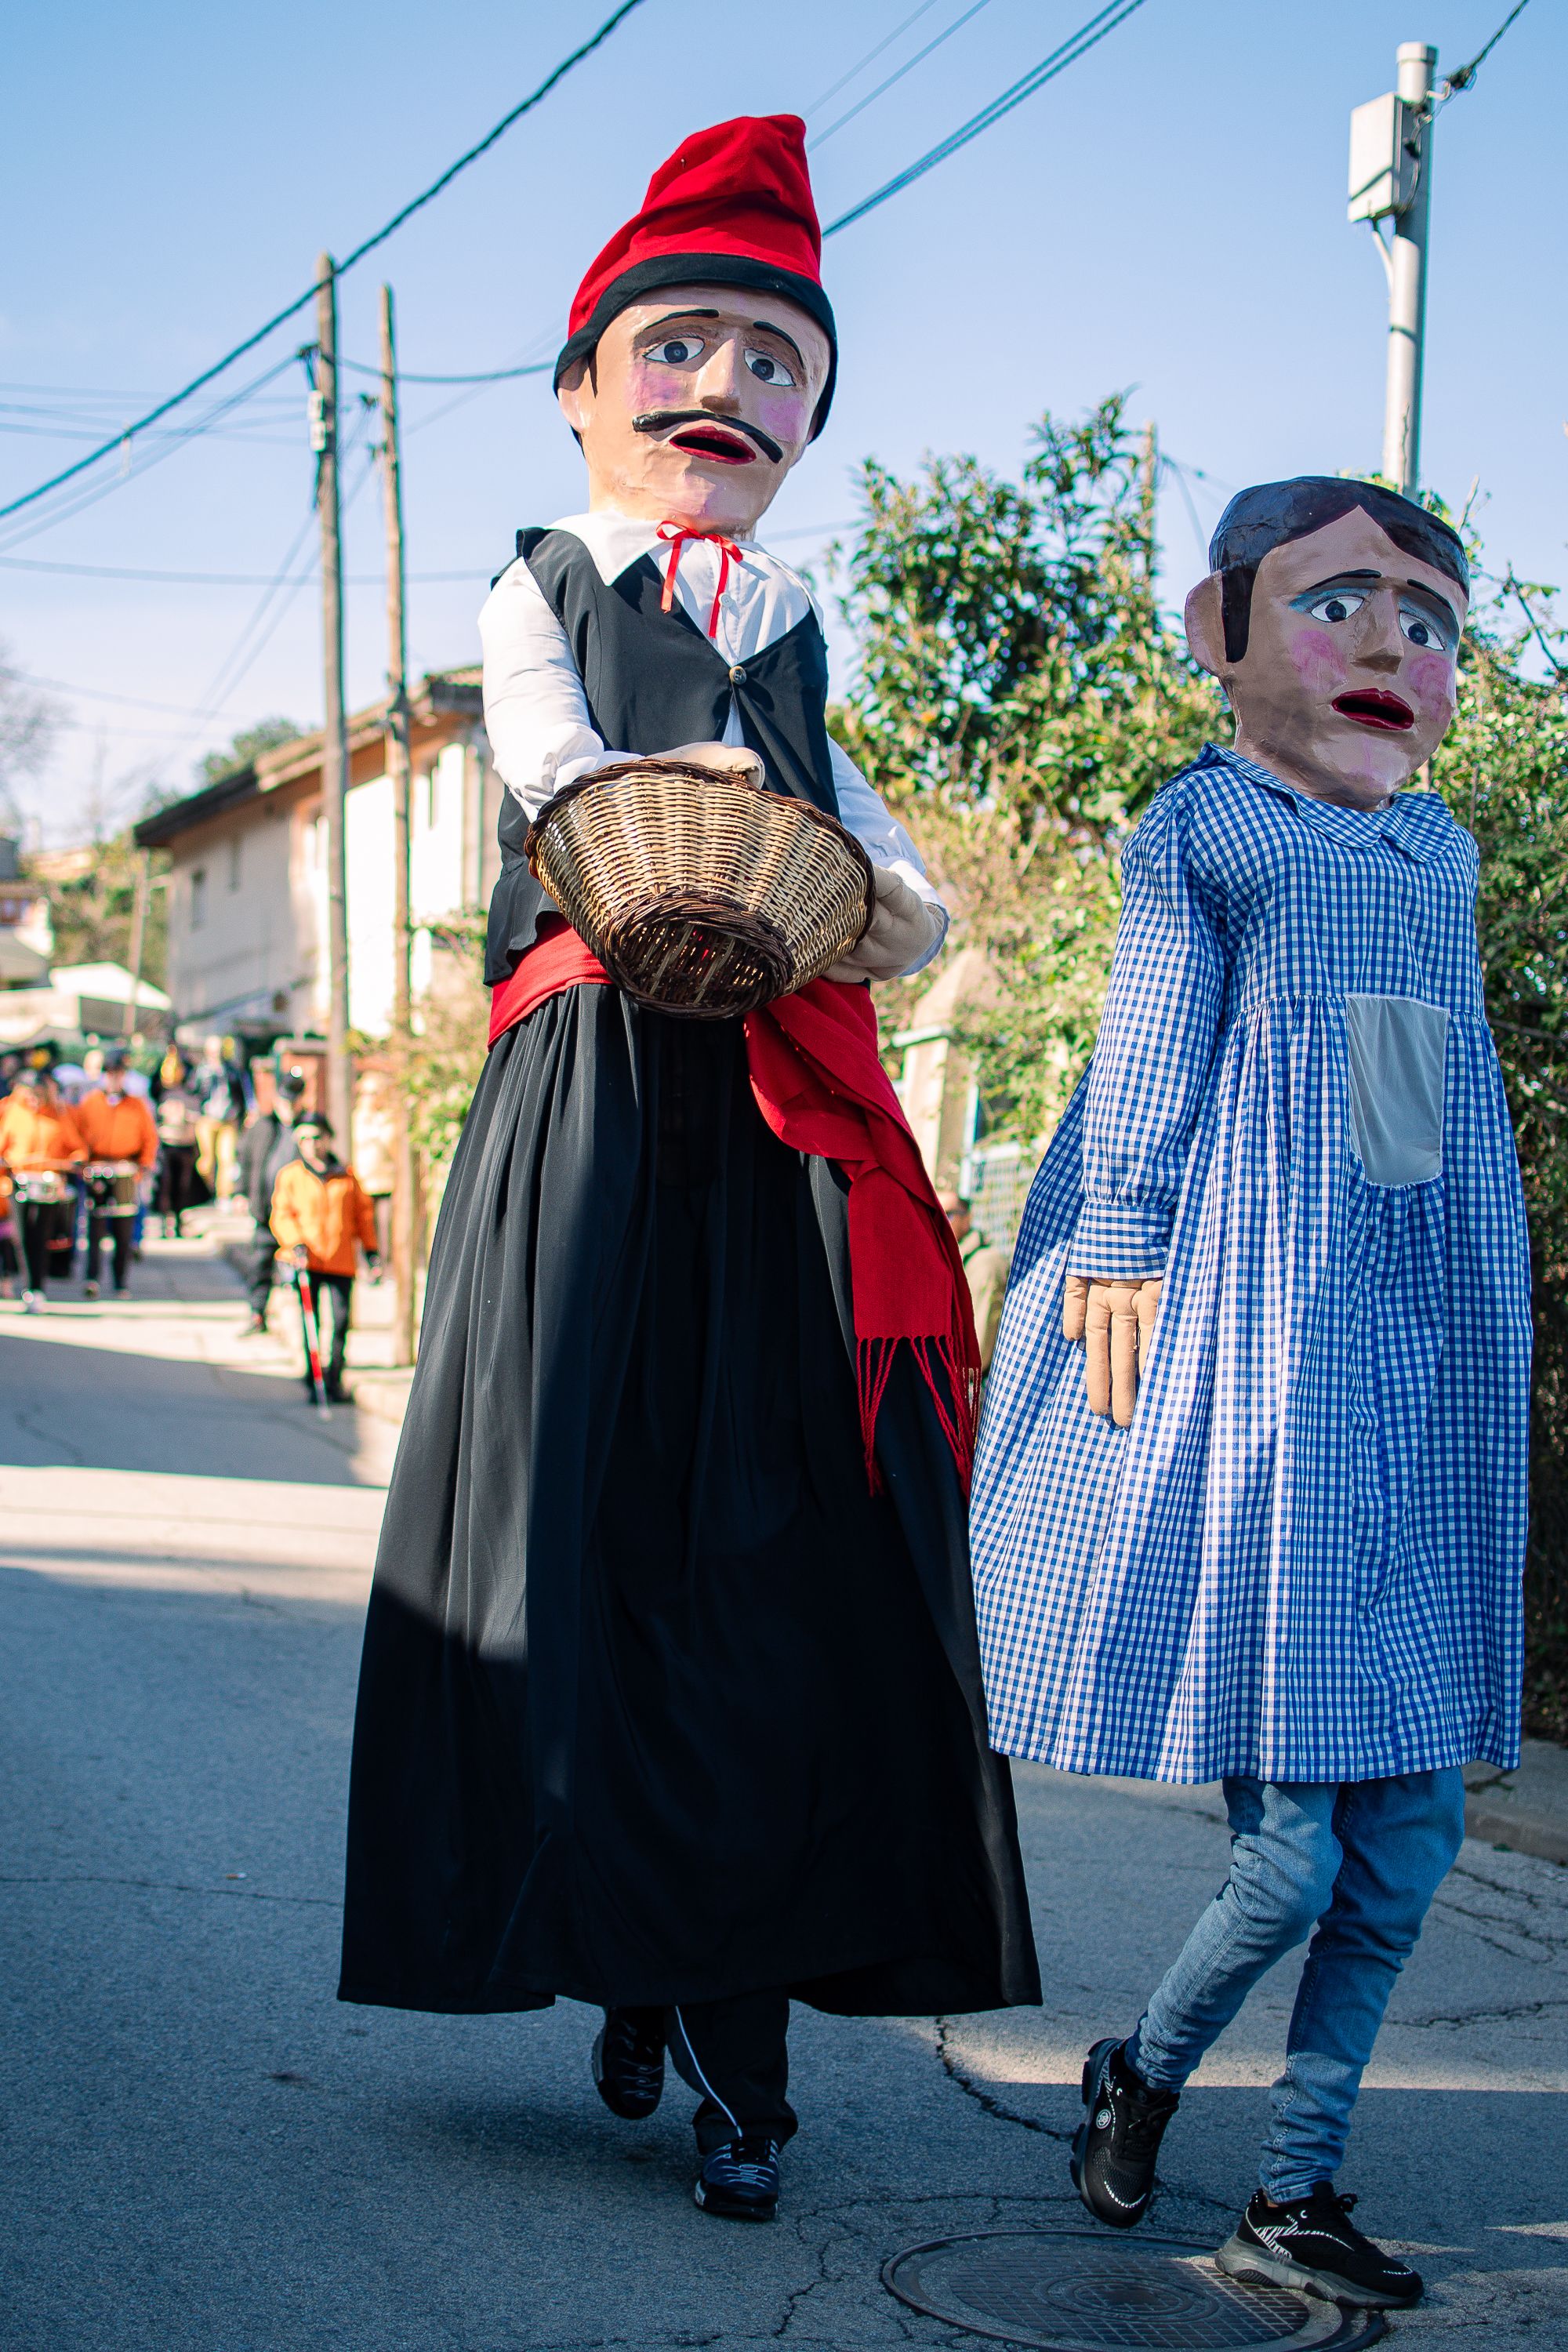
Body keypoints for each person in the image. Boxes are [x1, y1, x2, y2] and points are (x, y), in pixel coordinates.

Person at [338, 112, 1039, 2228]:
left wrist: (892, 895)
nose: (726, 382)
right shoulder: (544, 581)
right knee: (590, 1531)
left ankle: (727, 2022)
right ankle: (626, 1955)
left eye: (773, 354)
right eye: (682, 340)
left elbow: (880, 863)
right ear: (583, 389)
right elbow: (558, 772)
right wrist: (709, 792)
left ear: (813, 413)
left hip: (786, 1113)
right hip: (596, 1106)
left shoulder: (808, 621)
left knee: (778, 1553)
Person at [970, 479, 1529, 2315]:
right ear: (1220, 636)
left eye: (1429, 620)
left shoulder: (1430, 853)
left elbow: (1403, 1094)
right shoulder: (1200, 825)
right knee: (1289, 1854)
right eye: (1337, 602)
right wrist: (1119, 1231)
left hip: (1405, 1353)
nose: (1387, 644)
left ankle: (1295, 2185)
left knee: (1412, 1838)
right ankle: (1136, 2066)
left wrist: (1446, 1291)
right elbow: (1148, 1032)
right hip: (1253, 1338)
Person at [268, 1113, 380, 1402]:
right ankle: (313, 1374)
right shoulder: (291, 1176)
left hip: (341, 1259)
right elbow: (282, 1215)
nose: (311, 1145)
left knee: (341, 1321)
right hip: (308, 1260)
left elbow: (363, 1216)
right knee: (311, 1322)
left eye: (316, 1137)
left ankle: (335, 1376)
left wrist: (371, 1251)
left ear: (328, 1138)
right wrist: (295, 1244)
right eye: (304, 1139)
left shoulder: (347, 1175)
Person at [0, 1067, 88, 1310]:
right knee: (22, 1237)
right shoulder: (12, 1113)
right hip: (19, 1182)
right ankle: (29, 1288)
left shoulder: (59, 1115)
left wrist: (75, 1161)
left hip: (49, 1184)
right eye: (28, 1095)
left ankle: (37, 1288)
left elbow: (76, 1148)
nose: (33, 1100)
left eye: (37, 1094)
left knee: (41, 1237)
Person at [76, 1048, 159, 1297]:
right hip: (99, 1168)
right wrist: (84, 1163)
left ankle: (120, 1281)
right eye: (111, 1073)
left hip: (126, 1169)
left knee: (124, 1230)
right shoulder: (90, 1103)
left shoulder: (136, 1105)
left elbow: (149, 1138)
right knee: (96, 1228)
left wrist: (143, 1165)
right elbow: (78, 1136)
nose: (115, 1078)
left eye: (119, 1074)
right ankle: (92, 1279)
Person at [237, 1068, 306, 1334]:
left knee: (297, 1266)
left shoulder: (307, 1127)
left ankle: (302, 1320)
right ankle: (257, 1313)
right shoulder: (264, 1125)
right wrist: (241, 1191)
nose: (288, 1106)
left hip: (296, 1212)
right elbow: (246, 1158)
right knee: (260, 1264)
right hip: (265, 1208)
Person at [939, 1189, 1009, 1377]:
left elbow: (974, 1358)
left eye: (948, 1214)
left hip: (971, 1390)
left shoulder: (984, 1265)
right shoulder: (947, 1261)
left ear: (967, 1218)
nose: (939, 1221)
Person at [152, 1051, 208, 1238]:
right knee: (165, 1184)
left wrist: (185, 1116)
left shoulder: (190, 1094)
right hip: (167, 1146)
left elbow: (197, 1117)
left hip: (185, 1147)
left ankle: (177, 1221)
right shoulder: (160, 1093)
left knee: (183, 1186)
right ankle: (164, 1222)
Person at [191, 1033, 248, 1202]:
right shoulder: (201, 1071)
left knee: (227, 1159)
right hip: (207, 1119)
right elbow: (193, 1093)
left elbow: (242, 1092)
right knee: (206, 1161)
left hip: (228, 1120)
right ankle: (208, 1189)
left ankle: (223, 1195)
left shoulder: (232, 1070)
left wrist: (243, 1113)